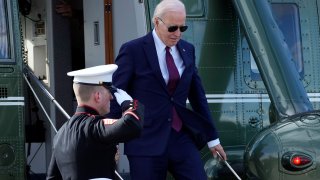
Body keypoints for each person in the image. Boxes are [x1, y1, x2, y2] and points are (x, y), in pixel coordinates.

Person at [107, 0, 227, 179]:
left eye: (182, 28)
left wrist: (213, 138)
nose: (178, 34)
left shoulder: (188, 50)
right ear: (157, 22)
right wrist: (111, 138)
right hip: (145, 140)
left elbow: (197, 96)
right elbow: (115, 92)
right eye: (172, 28)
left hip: (180, 137)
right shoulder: (133, 50)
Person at [46, 64, 144, 180]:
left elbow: (52, 177)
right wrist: (130, 103)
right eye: (109, 92)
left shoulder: (60, 133)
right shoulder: (94, 126)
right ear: (98, 96)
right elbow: (132, 125)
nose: (112, 98)